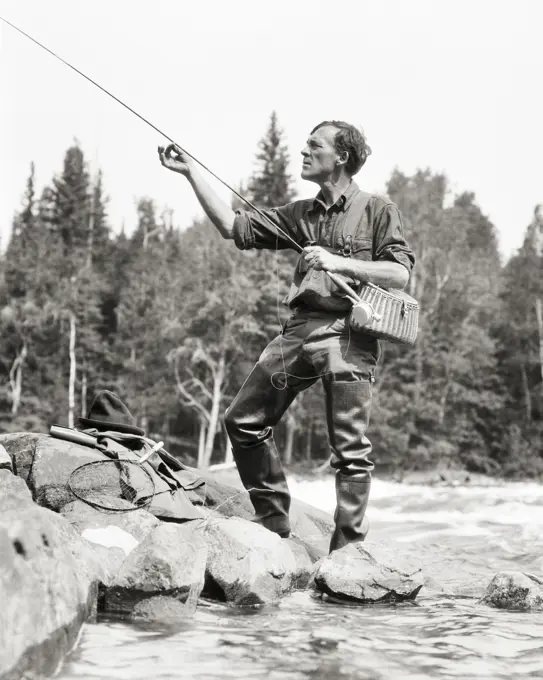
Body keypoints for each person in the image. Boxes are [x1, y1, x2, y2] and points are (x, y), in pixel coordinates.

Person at [158, 120, 415, 552]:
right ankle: (273, 522)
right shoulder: (301, 215)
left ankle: (347, 549)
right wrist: (191, 173)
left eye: (314, 146)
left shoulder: (377, 209)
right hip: (299, 333)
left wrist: (340, 262)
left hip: (349, 336)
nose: (303, 152)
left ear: (342, 157)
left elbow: (400, 273)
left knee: (350, 450)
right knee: (243, 420)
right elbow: (233, 227)